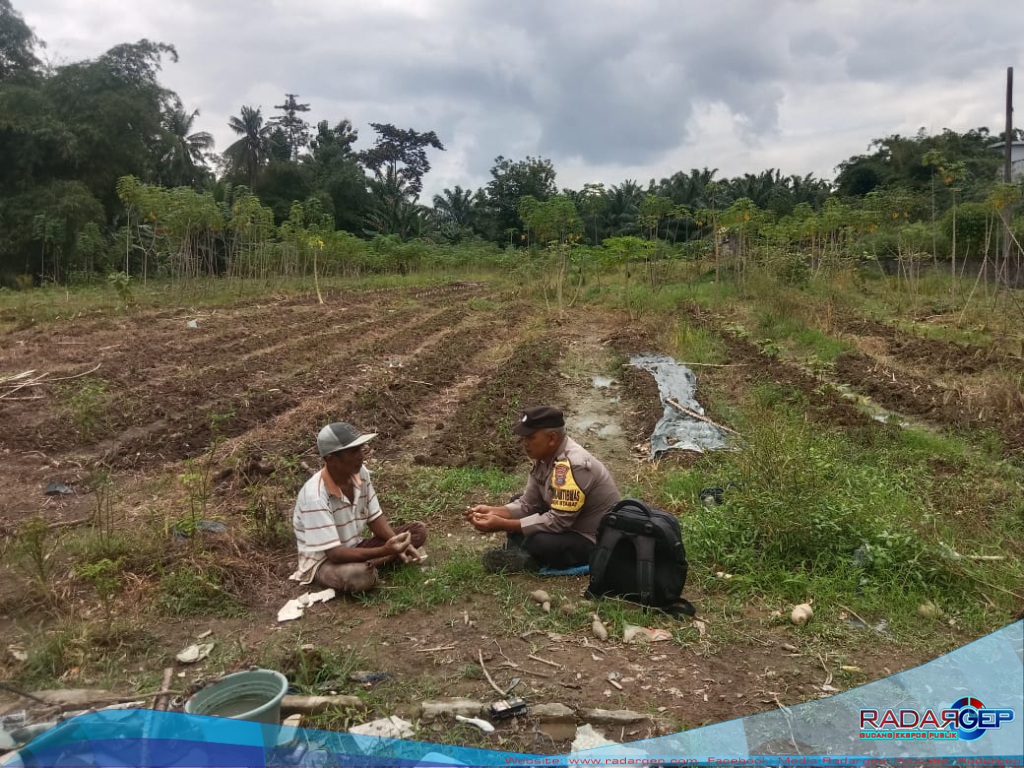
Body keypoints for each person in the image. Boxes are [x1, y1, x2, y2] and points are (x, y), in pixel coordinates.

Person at [465, 406, 621, 573]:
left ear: (552, 438)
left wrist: (503, 524)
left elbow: (558, 522)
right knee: (515, 503)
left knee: (539, 541)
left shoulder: (574, 466)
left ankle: (530, 559)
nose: (525, 443)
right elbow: (528, 504)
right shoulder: (544, 457)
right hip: (568, 522)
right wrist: (494, 511)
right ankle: (527, 554)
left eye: (531, 437)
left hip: (591, 537)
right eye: (524, 437)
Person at [290, 421, 427, 593]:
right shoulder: (315, 496)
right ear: (331, 459)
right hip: (326, 562)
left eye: (361, 449)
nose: (361, 456)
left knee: (417, 531)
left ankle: (377, 560)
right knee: (360, 575)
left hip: (355, 547)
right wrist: (384, 550)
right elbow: (335, 554)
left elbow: (374, 517)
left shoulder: (360, 473)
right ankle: (373, 563)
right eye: (354, 451)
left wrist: (397, 544)